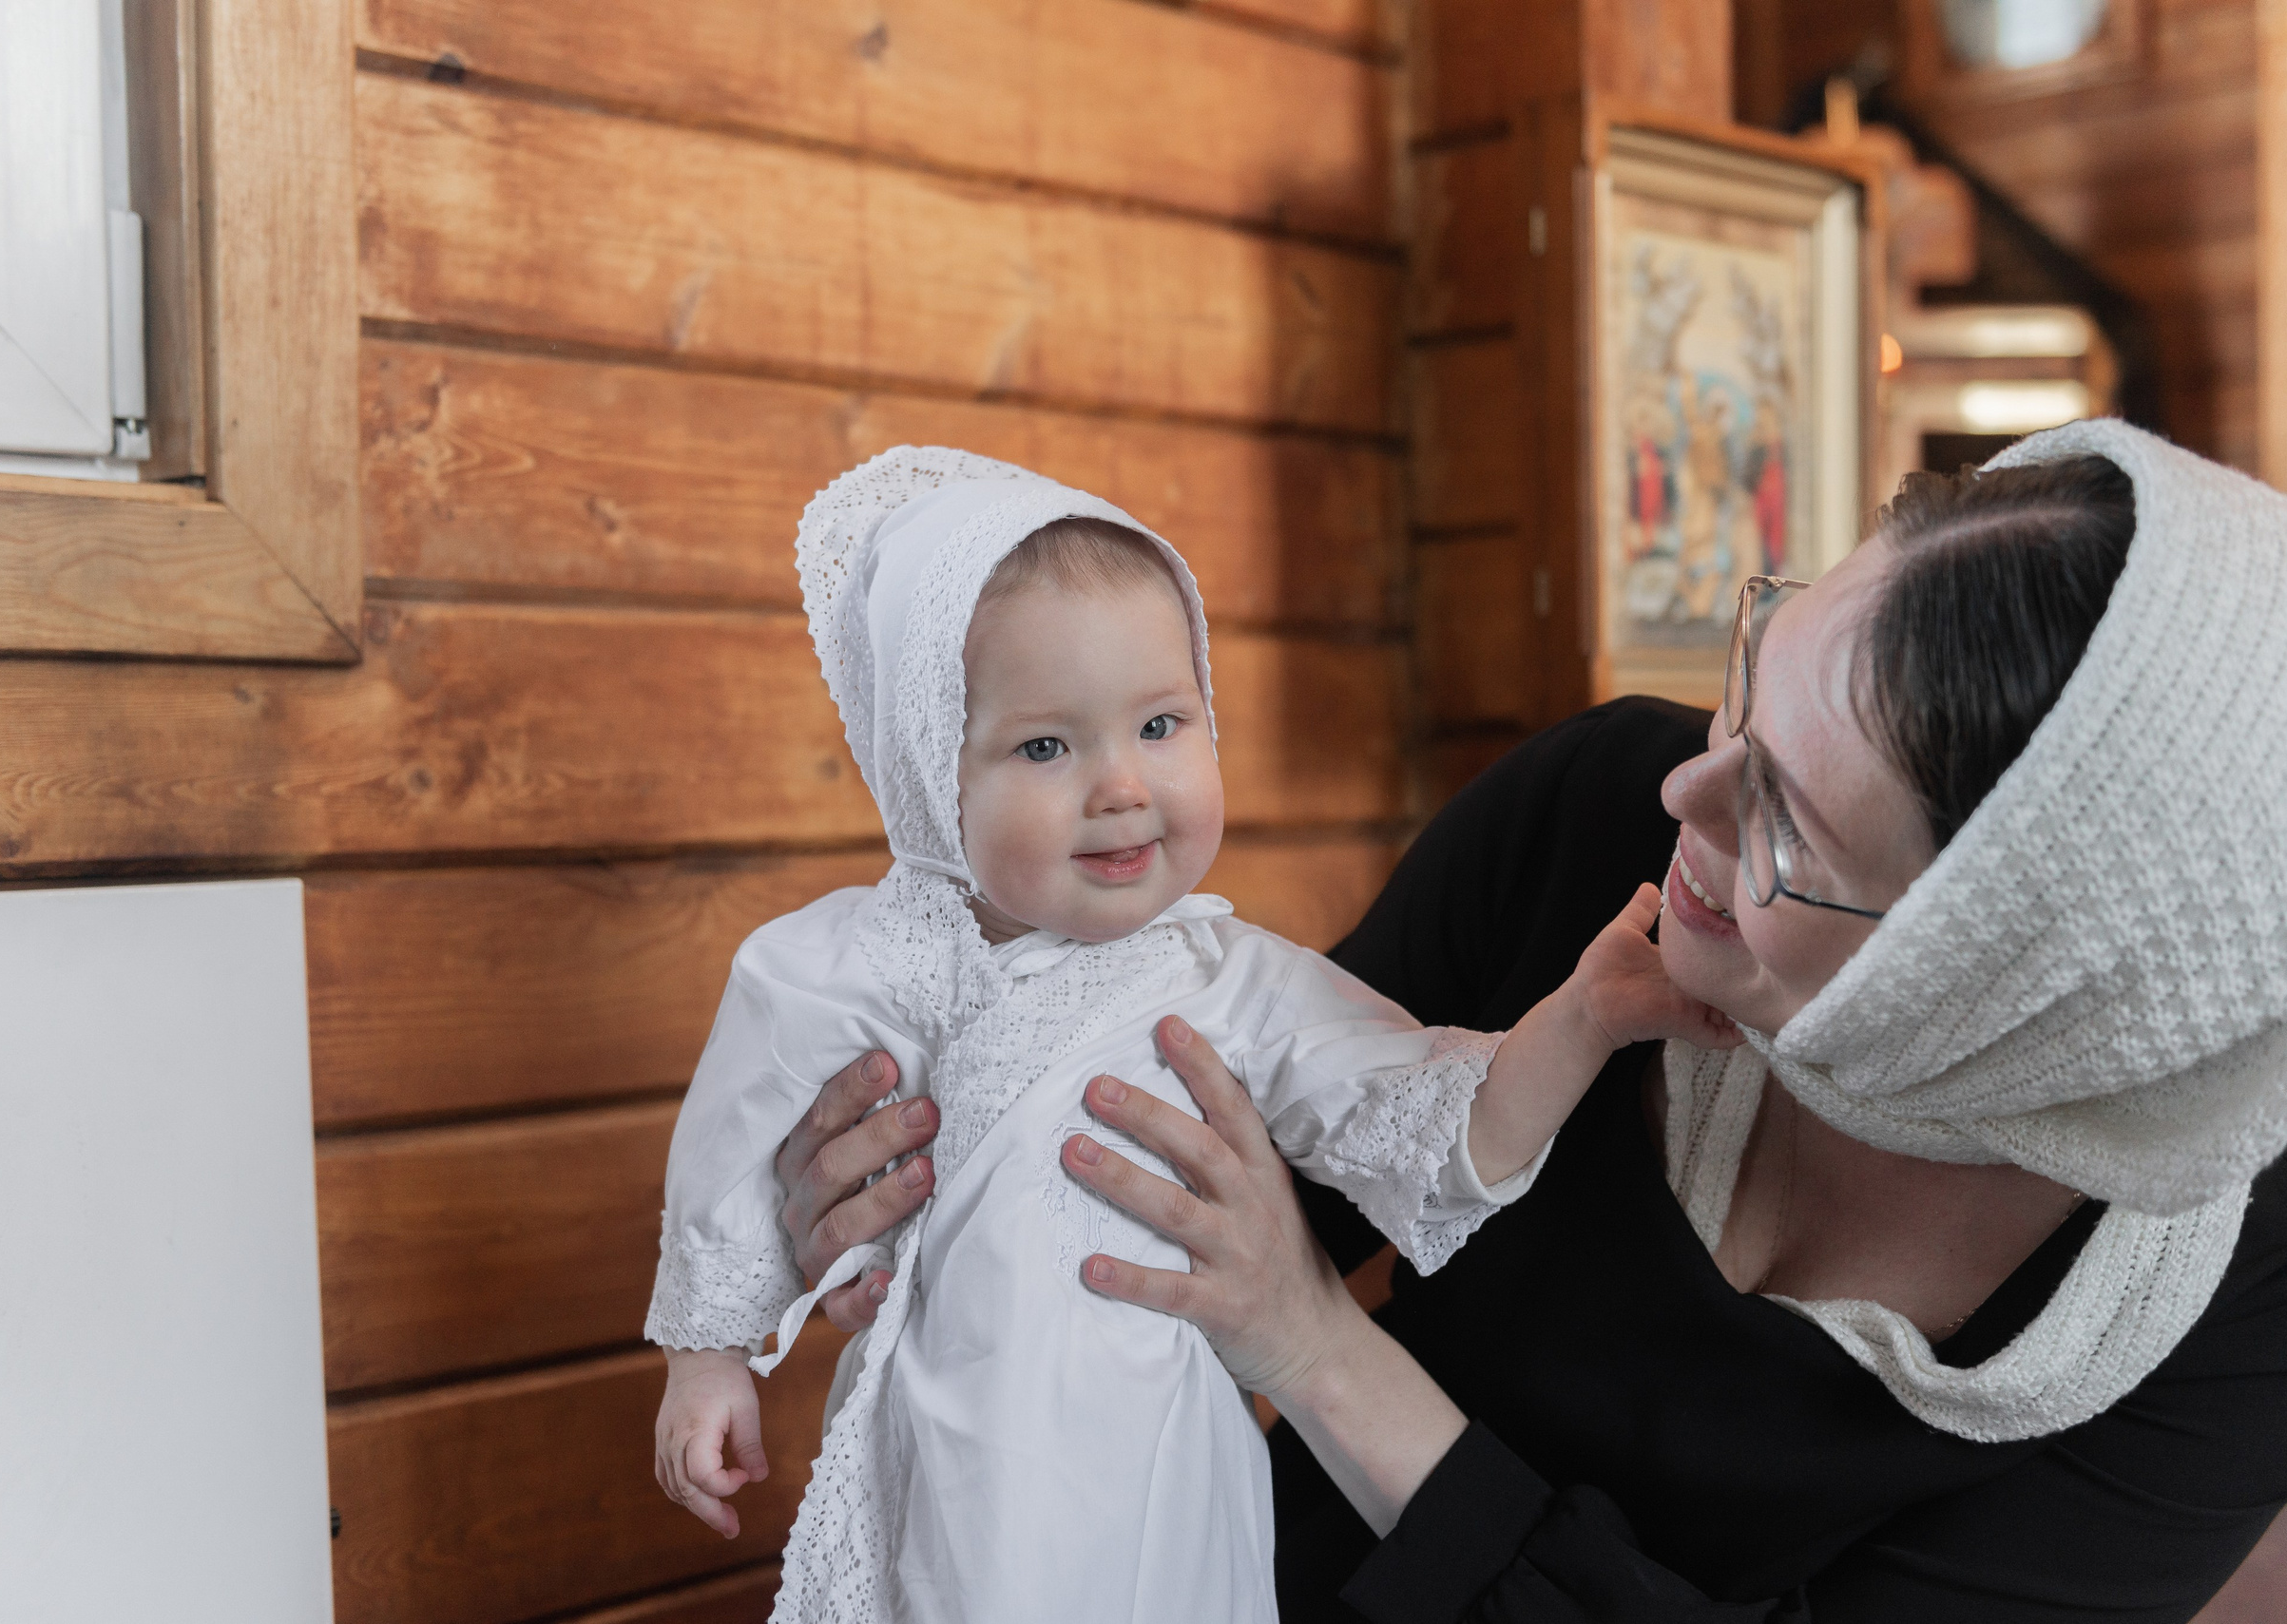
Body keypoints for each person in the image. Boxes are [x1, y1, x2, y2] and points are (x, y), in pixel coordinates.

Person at [777, 420, 2287, 1620]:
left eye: (1787, 819)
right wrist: (941, 1187)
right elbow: (1229, 1182)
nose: (1689, 789)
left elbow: (1283, 1291)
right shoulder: (1598, 812)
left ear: (1993, 983)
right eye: (1760, 673)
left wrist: (1325, 1356)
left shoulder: (2257, 1309)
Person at [644, 447, 1732, 1624]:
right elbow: (742, 1135)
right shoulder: (861, 961)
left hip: (1154, 1458)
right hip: (947, 1449)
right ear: (930, 777)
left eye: (1160, 722)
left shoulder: (1233, 984)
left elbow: (1427, 1118)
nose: (1121, 785)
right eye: (1046, 747)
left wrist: (1583, 1015)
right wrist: (706, 1358)